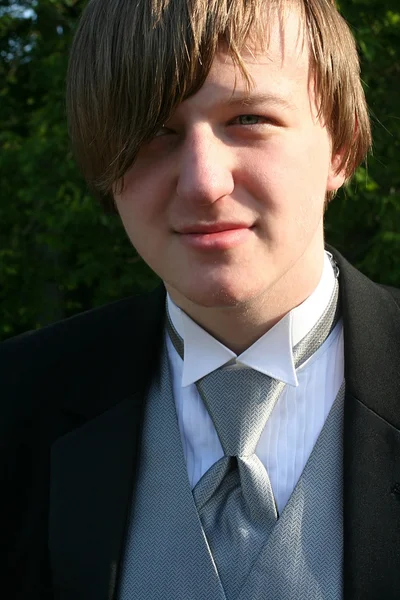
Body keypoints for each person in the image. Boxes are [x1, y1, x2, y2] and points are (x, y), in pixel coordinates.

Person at [1, 0, 400, 598]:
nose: (203, 183)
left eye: (248, 119)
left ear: (339, 145)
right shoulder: (15, 403)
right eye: (153, 132)